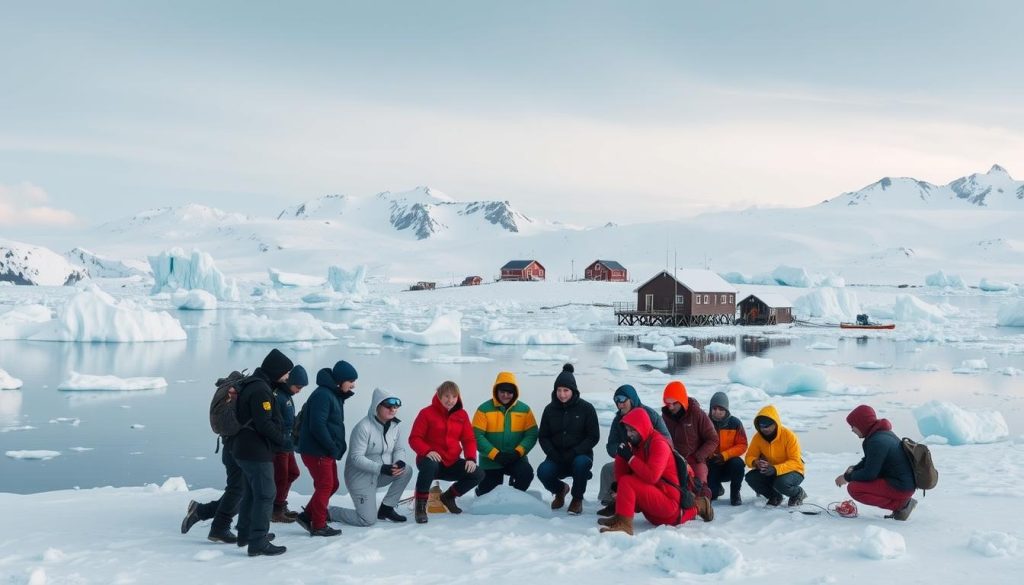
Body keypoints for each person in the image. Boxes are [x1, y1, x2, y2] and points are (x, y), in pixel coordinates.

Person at [597, 408, 712, 535]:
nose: (629, 434)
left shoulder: (659, 444)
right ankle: (620, 517)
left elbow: (652, 476)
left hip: (670, 507)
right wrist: (622, 457)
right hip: (653, 511)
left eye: (633, 430)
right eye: (627, 430)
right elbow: (624, 478)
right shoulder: (638, 444)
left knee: (628, 482)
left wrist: (630, 458)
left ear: (642, 427)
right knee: (625, 481)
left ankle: (698, 506)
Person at [233, 348, 292, 556]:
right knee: (267, 494)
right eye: (286, 373)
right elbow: (264, 423)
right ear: (276, 370)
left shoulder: (255, 384)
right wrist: (283, 439)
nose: (287, 378)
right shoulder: (260, 390)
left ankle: (245, 534)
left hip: (245, 449)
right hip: (255, 451)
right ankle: (258, 541)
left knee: (251, 493)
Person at [329, 388, 412, 526]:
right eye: (389, 406)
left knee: (406, 470)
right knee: (367, 520)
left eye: (396, 407)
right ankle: (329, 512)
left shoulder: (394, 426)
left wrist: (399, 462)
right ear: (377, 406)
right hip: (360, 478)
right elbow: (356, 458)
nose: (393, 410)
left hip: (380, 473)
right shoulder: (363, 427)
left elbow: (399, 449)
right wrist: (381, 468)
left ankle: (386, 509)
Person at [295, 360, 357, 537]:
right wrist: (331, 446)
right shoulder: (323, 394)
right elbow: (317, 425)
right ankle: (319, 525)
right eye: (351, 380)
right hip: (317, 451)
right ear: (341, 380)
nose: (354, 385)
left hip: (324, 450)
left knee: (332, 485)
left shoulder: (333, 394)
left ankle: (308, 516)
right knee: (325, 485)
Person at [409, 381, 484, 524]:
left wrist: (470, 458)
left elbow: (469, 439)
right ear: (439, 395)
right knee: (430, 465)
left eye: (454, 397)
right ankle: (420, 507)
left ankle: (448, 497)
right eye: (447, 396)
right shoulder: (426, 413)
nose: (450, 400)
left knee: (478, 473)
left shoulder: (462, 415)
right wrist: (427, 451)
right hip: (431, 461)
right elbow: (414, 438)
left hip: (451, 461)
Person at [596, 384, 671, 517]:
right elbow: (611, 445)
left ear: (632, 399)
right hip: (629, 459)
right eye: (617, 401)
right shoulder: (618, 420)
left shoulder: (650, 415)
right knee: (607, 469)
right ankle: (613, 501)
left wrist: (642, 451)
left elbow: (667, 440)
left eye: (623, 400)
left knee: (634, 478)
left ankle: (636, 502)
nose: (620, 405)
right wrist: (622, 451)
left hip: (651, 462)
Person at [835, 404, 917, 520]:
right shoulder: (881, 434)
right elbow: (870, 460)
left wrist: (848, 478)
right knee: (856, 481)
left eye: (853, 425)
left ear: (862, 424)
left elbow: (869, 474)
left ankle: (902, 505)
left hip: (901, 487)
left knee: (854, 488)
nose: (852, 429)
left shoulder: (877, 441)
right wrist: (852, 471)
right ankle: (901, 503)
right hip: (903, 483)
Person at [537, 364, 600, 514]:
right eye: (559, 390)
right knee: (543, 471)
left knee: (581, 463)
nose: (562, 394)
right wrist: (552, 453)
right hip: (556, 456)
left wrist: (576, 451)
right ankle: (560, 490)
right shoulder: (549, 409)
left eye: (566, 390)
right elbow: (543, 436)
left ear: (573, 391)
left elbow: (593, 436)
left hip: (580, 455)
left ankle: (577, 498)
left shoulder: (586, 408)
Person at [472, 371, 539, 496]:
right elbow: (476, 435)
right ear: (496, 390)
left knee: (526, 474)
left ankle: (515, 494)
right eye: (502, 391)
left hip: (516, 458)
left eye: (509, 392)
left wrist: (518, 452)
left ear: (515, 393)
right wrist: (495, 454)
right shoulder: (483, 409)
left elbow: (532, 434)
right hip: (490, 460)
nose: (505, 395)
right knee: (487, 494)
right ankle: (481, 489)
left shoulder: (525, 410)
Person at [661, 380, 718, 499]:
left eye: (674, 403)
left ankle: (704, 504)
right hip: (673, 460)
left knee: (700, 489)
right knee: (670, 491)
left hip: (694, 459)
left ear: (682, 401)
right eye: (667, 403)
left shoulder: (697, 413)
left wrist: (698, 456)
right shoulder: (665, 417)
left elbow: (713, 439)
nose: (670, 407)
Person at [744, 405, 807, 507]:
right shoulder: (758, 437)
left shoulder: (789, 436)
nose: (764, 429)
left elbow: (795, 462)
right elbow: (749, 457)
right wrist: (756, 462)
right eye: (761, 426)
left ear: (775, 424)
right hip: (771, 470)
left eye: (767, 426)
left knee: (780, 483)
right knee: (751, 477)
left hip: (794, 470)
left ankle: (798, 493)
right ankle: (775, 496)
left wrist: (775, 469)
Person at [271, 365, 307, 523]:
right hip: (279, 446)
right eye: (298, 386)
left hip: (287, 444)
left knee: (293, 473)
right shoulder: (278, 396)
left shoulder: (286, 395)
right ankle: (276, 510)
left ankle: (279, 505)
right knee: (280, 477)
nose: (299, 390)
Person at [706, 391, 748, 506]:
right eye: (714, 409)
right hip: (711, 463)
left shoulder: (735, 423)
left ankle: (735, 493)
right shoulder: (705, 421)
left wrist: (725, 455)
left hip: (729, 462)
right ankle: (717, 488)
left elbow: (742, 445)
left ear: (726, 410)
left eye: (721, 409)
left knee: (738, 463)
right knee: (712, 496)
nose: (717, 412)